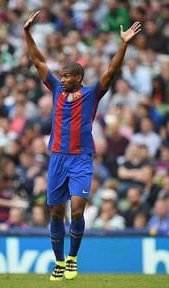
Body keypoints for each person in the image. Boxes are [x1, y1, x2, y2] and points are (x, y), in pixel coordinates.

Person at [23, 11, 141, 281]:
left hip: (81, 159)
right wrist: (27, 33)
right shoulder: (54, 90)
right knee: (55, 211)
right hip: (56, 158)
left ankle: (74, 258)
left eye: (67, 76)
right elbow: (38, 60)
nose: (62, 79)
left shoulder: (92, 94)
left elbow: (111, 71)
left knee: (77, 208)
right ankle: (60, 262)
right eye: (61, 76)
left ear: (78, 77)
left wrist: (123, 44)